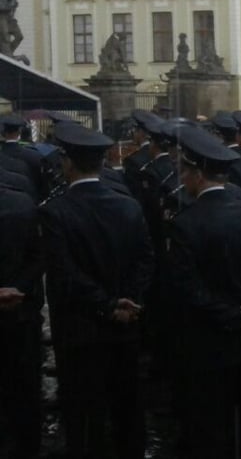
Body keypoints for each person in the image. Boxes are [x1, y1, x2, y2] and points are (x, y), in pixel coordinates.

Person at [163, 126, 241, 459]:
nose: (182, 178)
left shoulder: (185, 223)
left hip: (209, 345)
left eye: (184, 171)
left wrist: (234, 316)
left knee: (211, 430)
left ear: (197, 173)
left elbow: (188, 288)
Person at [41, 123, 155, 459]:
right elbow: (146, 260)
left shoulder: (54, 211)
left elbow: (64, 274)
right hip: (125, 325)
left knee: (84, 411)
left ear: (68, 164)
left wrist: (106, 305)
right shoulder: (128, 206)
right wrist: (129, 300)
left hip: (80, 330)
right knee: (128, 405)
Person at [0, 162, 41, 459]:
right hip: (20, 309)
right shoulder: (23, 203)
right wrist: (18, 288)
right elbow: (39, 255)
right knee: (25, 386)